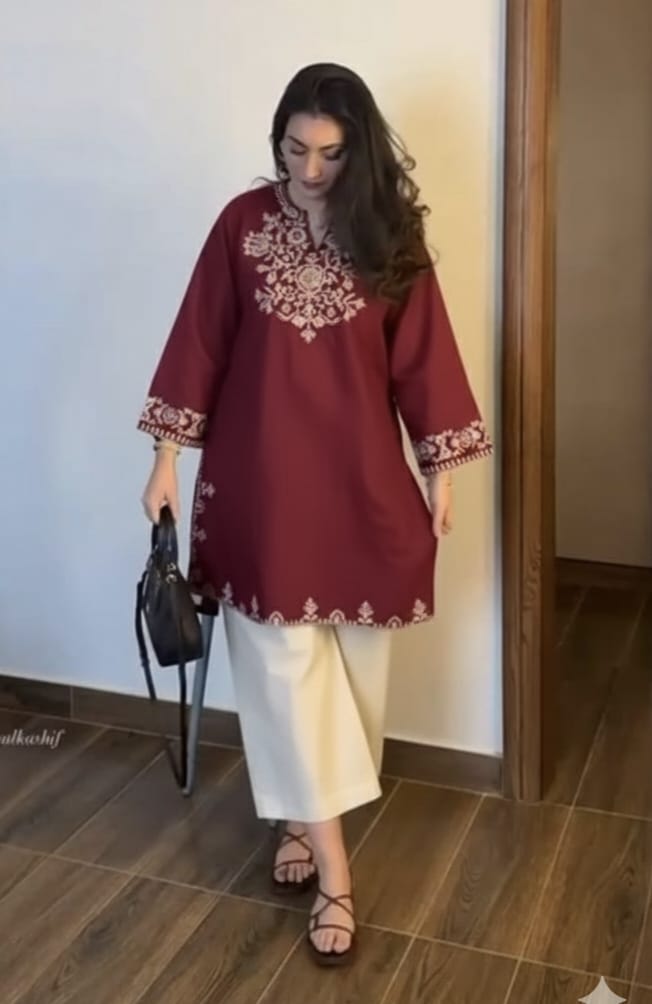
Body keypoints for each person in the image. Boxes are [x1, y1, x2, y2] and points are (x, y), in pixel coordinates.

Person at [138, 62, 492, 967]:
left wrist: (441, 471)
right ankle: (336, 871)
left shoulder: (390, 236)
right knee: (285, 671)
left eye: (329, 153)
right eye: (293, 148)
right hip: (257, 483)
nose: (308, 169)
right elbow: (199, 340)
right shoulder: (241, 226)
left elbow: (424, 357)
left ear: (358, 151)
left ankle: (301, 815)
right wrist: (167, 457)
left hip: (362, 485)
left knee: (356, 675)